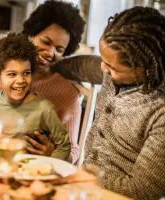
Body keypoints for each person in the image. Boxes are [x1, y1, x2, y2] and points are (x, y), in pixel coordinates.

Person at [51, 6, 165, 200]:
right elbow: (80, 67)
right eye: (104, 61)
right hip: (84, 191)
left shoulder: (160, 111)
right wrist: (43, 68)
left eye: (112, 67)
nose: (103, 68)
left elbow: (143, 189)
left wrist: (79, 177)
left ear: (145, 68)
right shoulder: (112, 75)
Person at [0, 0, 86, 163]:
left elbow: (73, 150)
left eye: (59, 49)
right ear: (30, 35)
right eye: (45, 42)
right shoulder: (6, 73)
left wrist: (52, 153)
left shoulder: (67, 93)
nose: (50, 53)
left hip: (35, 167)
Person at [0, 32, 71, 160]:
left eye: (26, 73)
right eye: (12, 74)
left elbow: (64, 145)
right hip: (1, 166)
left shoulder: (44, 108)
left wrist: (49, 163)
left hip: (30, 171)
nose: (20, 80)